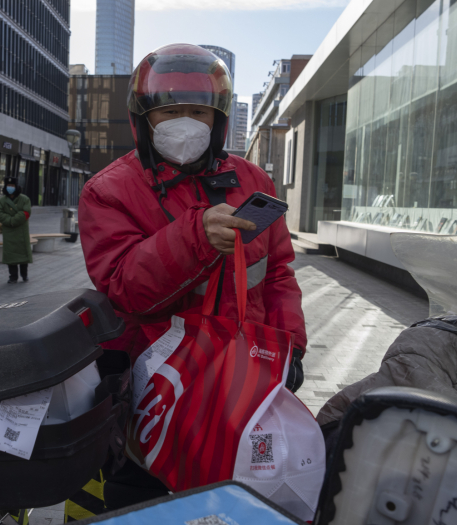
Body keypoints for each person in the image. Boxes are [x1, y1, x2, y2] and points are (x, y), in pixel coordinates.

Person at [78, 43, 307, 509]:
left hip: (240, 382)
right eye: (171, 112)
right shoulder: (108, 191)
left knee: (234, 497)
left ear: (218, 120)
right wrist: (196, 237)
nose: (185, 123)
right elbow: (123, 287)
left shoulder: (253, 183)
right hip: (154, 388)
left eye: (198, 112)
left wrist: (291, 346)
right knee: (146, 503)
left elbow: (278, 272)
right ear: (144, 120)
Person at [0, 176, 32, 283]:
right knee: (11, 256)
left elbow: (26, 212)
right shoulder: (1, 201)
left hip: (21, 231)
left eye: (12, 185)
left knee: (23, 255)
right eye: (8, 185)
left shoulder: (25, 199)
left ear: (16, 186)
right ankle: (13, 276)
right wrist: (10, 221)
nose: (10, 187)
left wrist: (13, 220)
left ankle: (24, 275)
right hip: (9, 232)